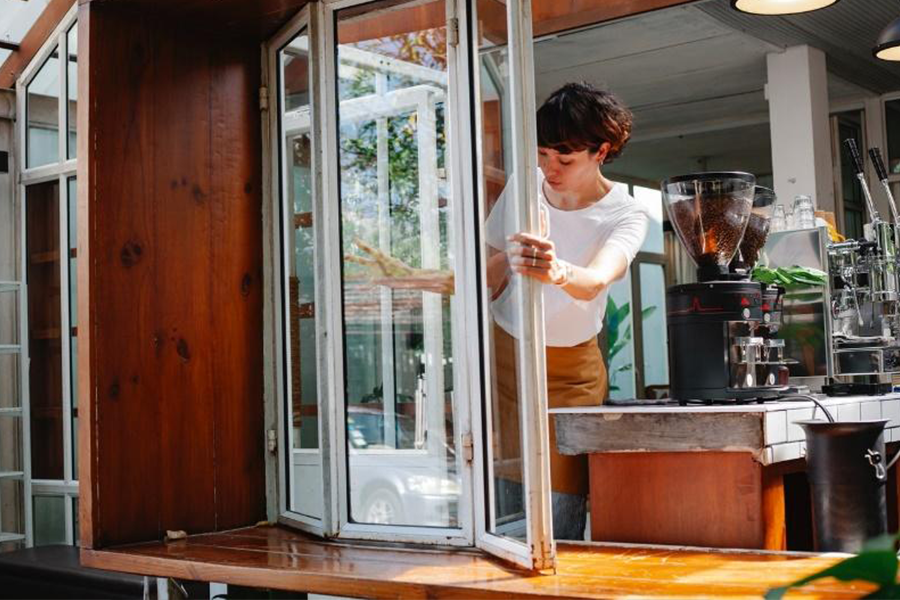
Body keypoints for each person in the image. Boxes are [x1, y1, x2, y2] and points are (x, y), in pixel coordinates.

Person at [484, 82, 649, 540]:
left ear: (602, 150)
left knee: (559, 510)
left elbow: (597, 279)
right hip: (504, 360)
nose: (548, 169)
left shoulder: (627, 214)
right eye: (542, 155)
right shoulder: (525, 185)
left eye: (564, 158)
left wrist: (553, 269)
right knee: (502, 506)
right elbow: (487, 265)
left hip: (571, 373)